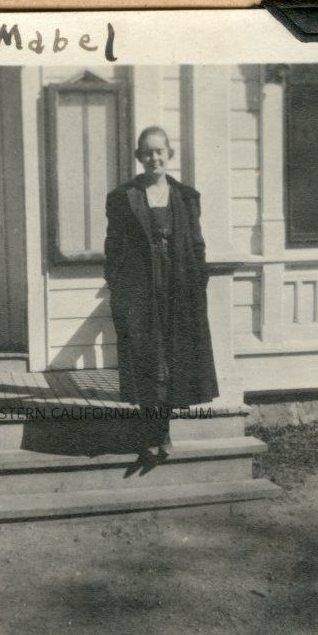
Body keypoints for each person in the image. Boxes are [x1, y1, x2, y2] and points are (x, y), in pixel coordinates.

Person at [104, 126, 219, 459]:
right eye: (147, 152)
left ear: (170, 154)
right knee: (147, 357)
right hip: (141, 290)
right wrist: (119, 286)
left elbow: (197, 245)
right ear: (139, 157)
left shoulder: (186, 197)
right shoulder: (123, 197)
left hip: (178, 288)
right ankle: (151, 433)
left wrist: (198, 283)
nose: (154, 157)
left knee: (173, 357)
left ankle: (162, 432)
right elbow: (113, 247)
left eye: (159, 151)